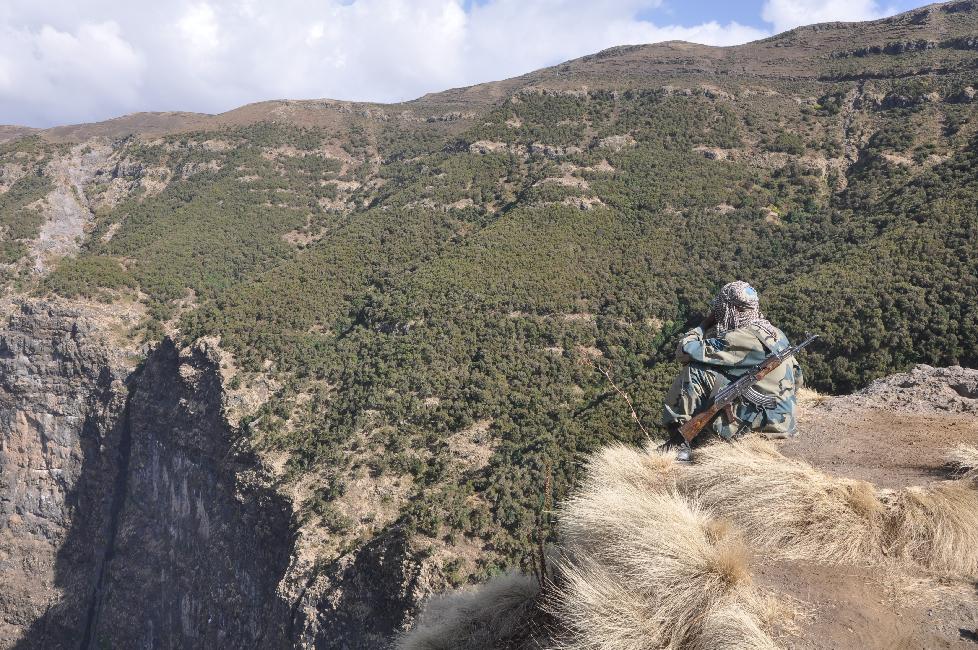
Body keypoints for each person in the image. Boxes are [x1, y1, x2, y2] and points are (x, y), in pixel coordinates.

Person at [661, 281, 803, 461]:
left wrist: (704, 325)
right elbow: (798, 378)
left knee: (695, 372)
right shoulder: (776, 333)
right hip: (785, 421)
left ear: (730, 309)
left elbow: (685, 351)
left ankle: (679, 441)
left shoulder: (737, 338)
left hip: (760, 427)